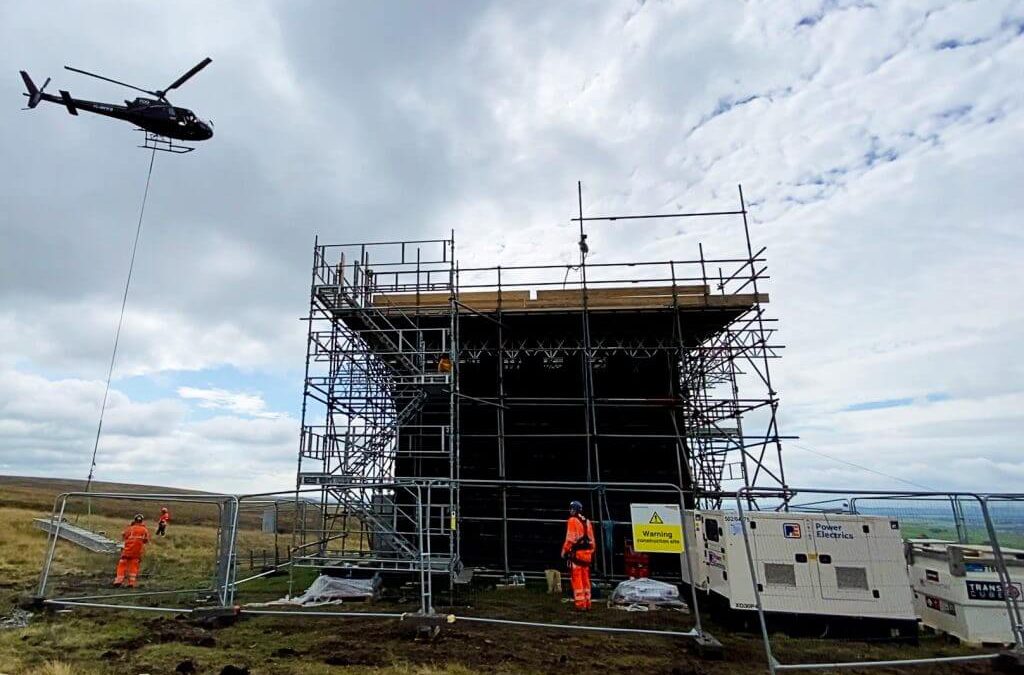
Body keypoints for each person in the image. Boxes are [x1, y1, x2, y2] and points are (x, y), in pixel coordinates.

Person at [561, 500, 596, 610]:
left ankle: (580, 604)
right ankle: (587, 602)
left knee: (577, 580)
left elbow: (570, 539)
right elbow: (592, 541)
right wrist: (590, 552)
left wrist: (564, 551)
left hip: (577, 555)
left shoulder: (572, 521)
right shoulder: (587, 522)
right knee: (586, 579)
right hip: (587, 555)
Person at [113, 514, 151, 588]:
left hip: (127, 551)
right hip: (137, 552)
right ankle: (131, 583)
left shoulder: (130, 529)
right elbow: (146, 540)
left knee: (122, 565)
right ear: (142, 521)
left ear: (134, 520)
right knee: (134, 567)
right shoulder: (144, 530)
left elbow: (124, 535)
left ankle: (118, 580)